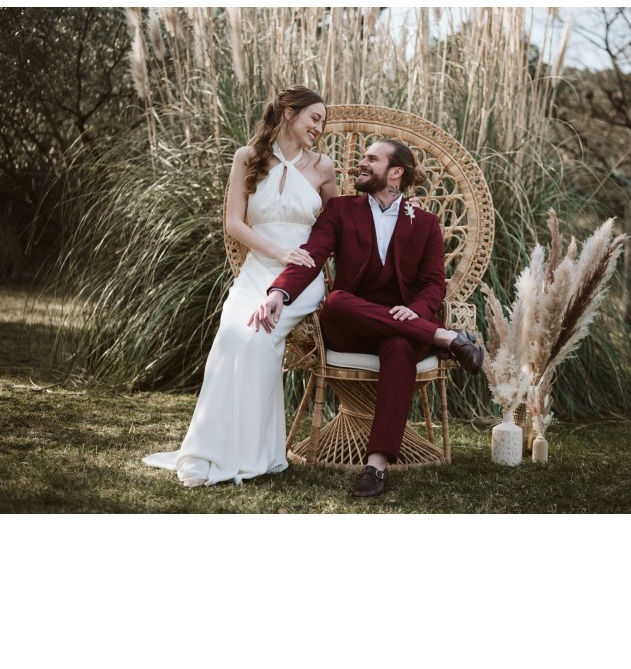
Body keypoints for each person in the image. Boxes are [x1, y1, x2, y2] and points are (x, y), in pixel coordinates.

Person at [251, 137, 485, 498]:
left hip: (404, 327)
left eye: (371, 159)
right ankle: (446, 338)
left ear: (395, 173)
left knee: (400, 345)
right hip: (348, 325)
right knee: (338, 301)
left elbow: (433, 283)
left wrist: (418, 311)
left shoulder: (425, 223)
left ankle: (376, 466)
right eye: (363, 157)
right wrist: (279, 292)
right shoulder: (341, 210)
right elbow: (311, 257)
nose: (361, 163)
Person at [143, 86, 337, 487]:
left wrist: (296, 261)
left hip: (300, 277)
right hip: (257, 269)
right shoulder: (247, 158)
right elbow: (234, 224)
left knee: (259, 338)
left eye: (323, 121)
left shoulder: (324, 168)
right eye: (313, 117)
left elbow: (333, 229)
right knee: (233, 335)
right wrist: (277, 251)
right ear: (288, 112)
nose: (319, 127)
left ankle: (256, 454)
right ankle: (212, 449)